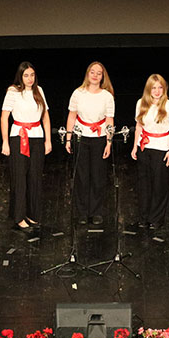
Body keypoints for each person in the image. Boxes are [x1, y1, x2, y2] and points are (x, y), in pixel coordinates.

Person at [0, 62, 52, 231]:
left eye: (32, 75)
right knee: (20, 177)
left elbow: (45, 116)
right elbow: (4, 117)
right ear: (20, 77)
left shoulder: (39, 90)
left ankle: (32, 214)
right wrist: (5, 141)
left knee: (35, 177)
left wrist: (48, 140)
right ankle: (19, 216)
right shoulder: (13, 92)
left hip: (36, 136)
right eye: (26, 75)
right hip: (19, 136)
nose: (30, 79)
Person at [65, 61, 115, 225]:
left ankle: (96, 212)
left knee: (98, 176)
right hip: (81, 136)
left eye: (98, 73)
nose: (95, 75)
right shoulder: (78, 93)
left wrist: (108, 142)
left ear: (102, 77)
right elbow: (72, 116)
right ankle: (82, 212)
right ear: (87, 74)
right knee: (81, 176)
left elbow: (109, 120)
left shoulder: (107, 96)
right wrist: (68, 138)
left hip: (99, 137)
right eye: (92, 72)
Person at [130, 74, 169, 231]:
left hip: (162, 147)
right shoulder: (141, 103)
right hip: (145, 146)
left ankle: (156, 219)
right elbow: (139, 126)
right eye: (154, 88)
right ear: (148, 89)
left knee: (159, 184)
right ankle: (143, 217)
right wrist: (135, 146)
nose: (157, 91)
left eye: (160, 88)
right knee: (144, 184)